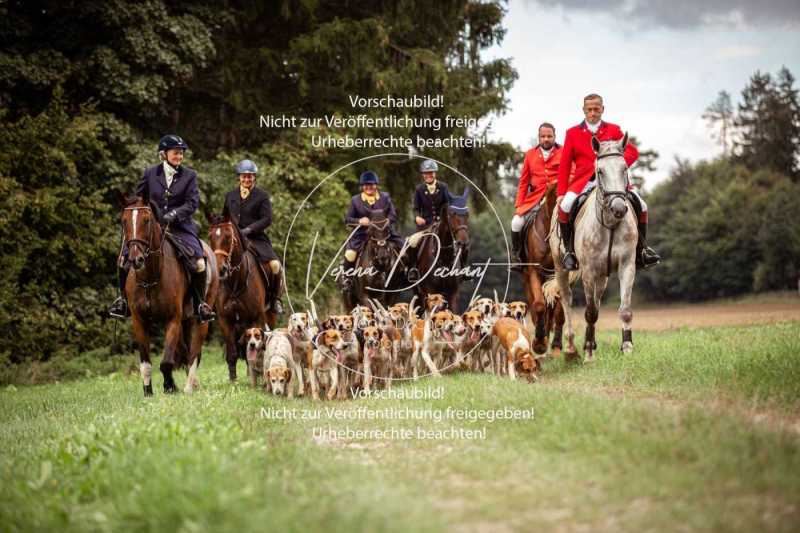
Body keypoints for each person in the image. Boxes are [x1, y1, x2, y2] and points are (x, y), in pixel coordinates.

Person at [110, 134, 216, 322]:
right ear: (164, 154)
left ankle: (200, 304)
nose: (179, 157)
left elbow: (192, 203)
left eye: (181, 153)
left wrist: (174, 215)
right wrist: (131, 207)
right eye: (175, 153)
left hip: (180, 227)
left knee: (199, 263)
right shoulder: (150, 174)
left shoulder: (190, 175)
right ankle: (123, 301)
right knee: (123, 259)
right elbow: (139, 198)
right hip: (150, 228)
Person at [556, 94, 660, 271]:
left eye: (596, 109)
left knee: (642, 205)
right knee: (565, 206)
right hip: (584, 182)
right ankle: (570, 252)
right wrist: (560, 192)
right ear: (584, 110)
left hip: (613, 181)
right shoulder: (572, 133)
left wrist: (615, 165)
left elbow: (633, 152)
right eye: (589, 109)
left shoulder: (614, 129)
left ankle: (642, 251)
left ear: (602, 109)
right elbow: (565, 165)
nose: (593, 112)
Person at [222, 159, 284, 315]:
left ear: (254, 177)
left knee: (275, 265)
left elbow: (266, 219)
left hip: (256, 239)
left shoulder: (262, 196)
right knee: (219, 261)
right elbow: (225, 216)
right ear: (239, 177)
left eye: (250, 176)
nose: (247, 179)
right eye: (244, 176)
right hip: (235, 239)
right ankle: (217, 300)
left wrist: (249, 229)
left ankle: (275, 299)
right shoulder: (230, 195)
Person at [510, 122, 565, 271]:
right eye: (543, 136)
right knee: (516, 222)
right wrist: (519, 205)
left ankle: (571, 253)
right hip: (535, 197)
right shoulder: (530, 154)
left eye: (549, 136)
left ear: (554, 136)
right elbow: (523, 182)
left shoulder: (564, 152)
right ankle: (517, 255)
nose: (546, 139)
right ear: (539, 137)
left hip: (558, 195)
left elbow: (571, 174)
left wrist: (557, 184)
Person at [340, 170, 405, 291]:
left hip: (384, 233)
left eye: (371, 184)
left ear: (376, 185)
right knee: (349, 254)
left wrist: (387, 221)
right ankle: (347, 279)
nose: (369, 187)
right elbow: (347, 219)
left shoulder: (385, 197)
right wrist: (359, 221)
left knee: (405, 248)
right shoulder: (355, 200)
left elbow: (393, 215)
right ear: (362, 186)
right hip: (362, 235)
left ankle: (407, 274)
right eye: (366, 185)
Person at [406, 159, 452, 282]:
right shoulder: (419, 189)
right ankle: (413, 269)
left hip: (441, 224)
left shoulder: (443, 187)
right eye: (426, 173)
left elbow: (448, 204)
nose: (428, 175)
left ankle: (462, 268)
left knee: (458, 240)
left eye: (430, 173)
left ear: (435, 173)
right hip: (425, 226)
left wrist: (446, 218)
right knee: (412, 242)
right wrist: (417, 217)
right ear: (423, 175)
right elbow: (415, 208)